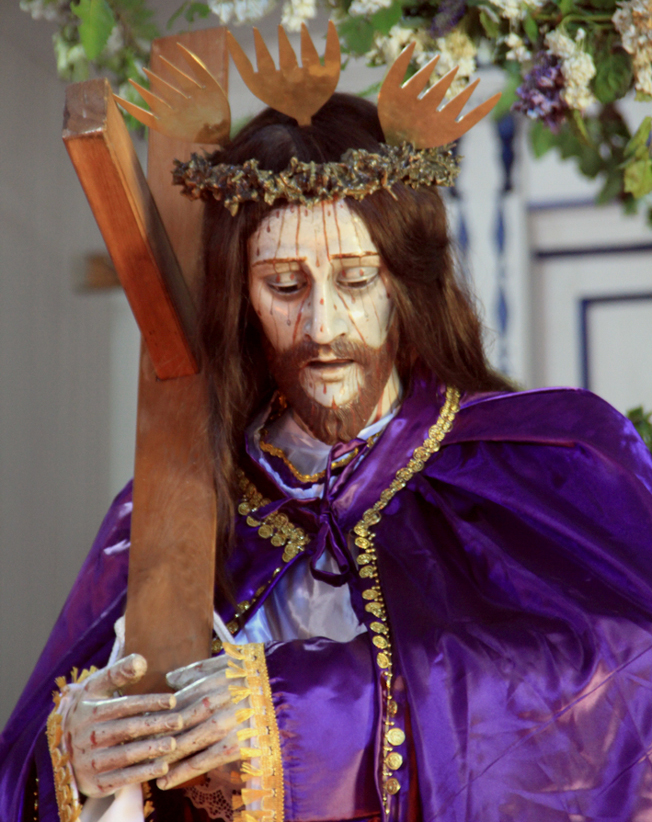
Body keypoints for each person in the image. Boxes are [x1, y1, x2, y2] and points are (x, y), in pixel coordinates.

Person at [3, 27, 652, 822]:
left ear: (406, 286)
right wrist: (74, 752)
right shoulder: (166, 514)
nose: (323, 324)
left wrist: (326, 716)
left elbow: (623, 678)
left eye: (354, 279)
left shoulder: (546, 458)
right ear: (241, 300)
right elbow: (25, 766)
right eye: (283, 284)